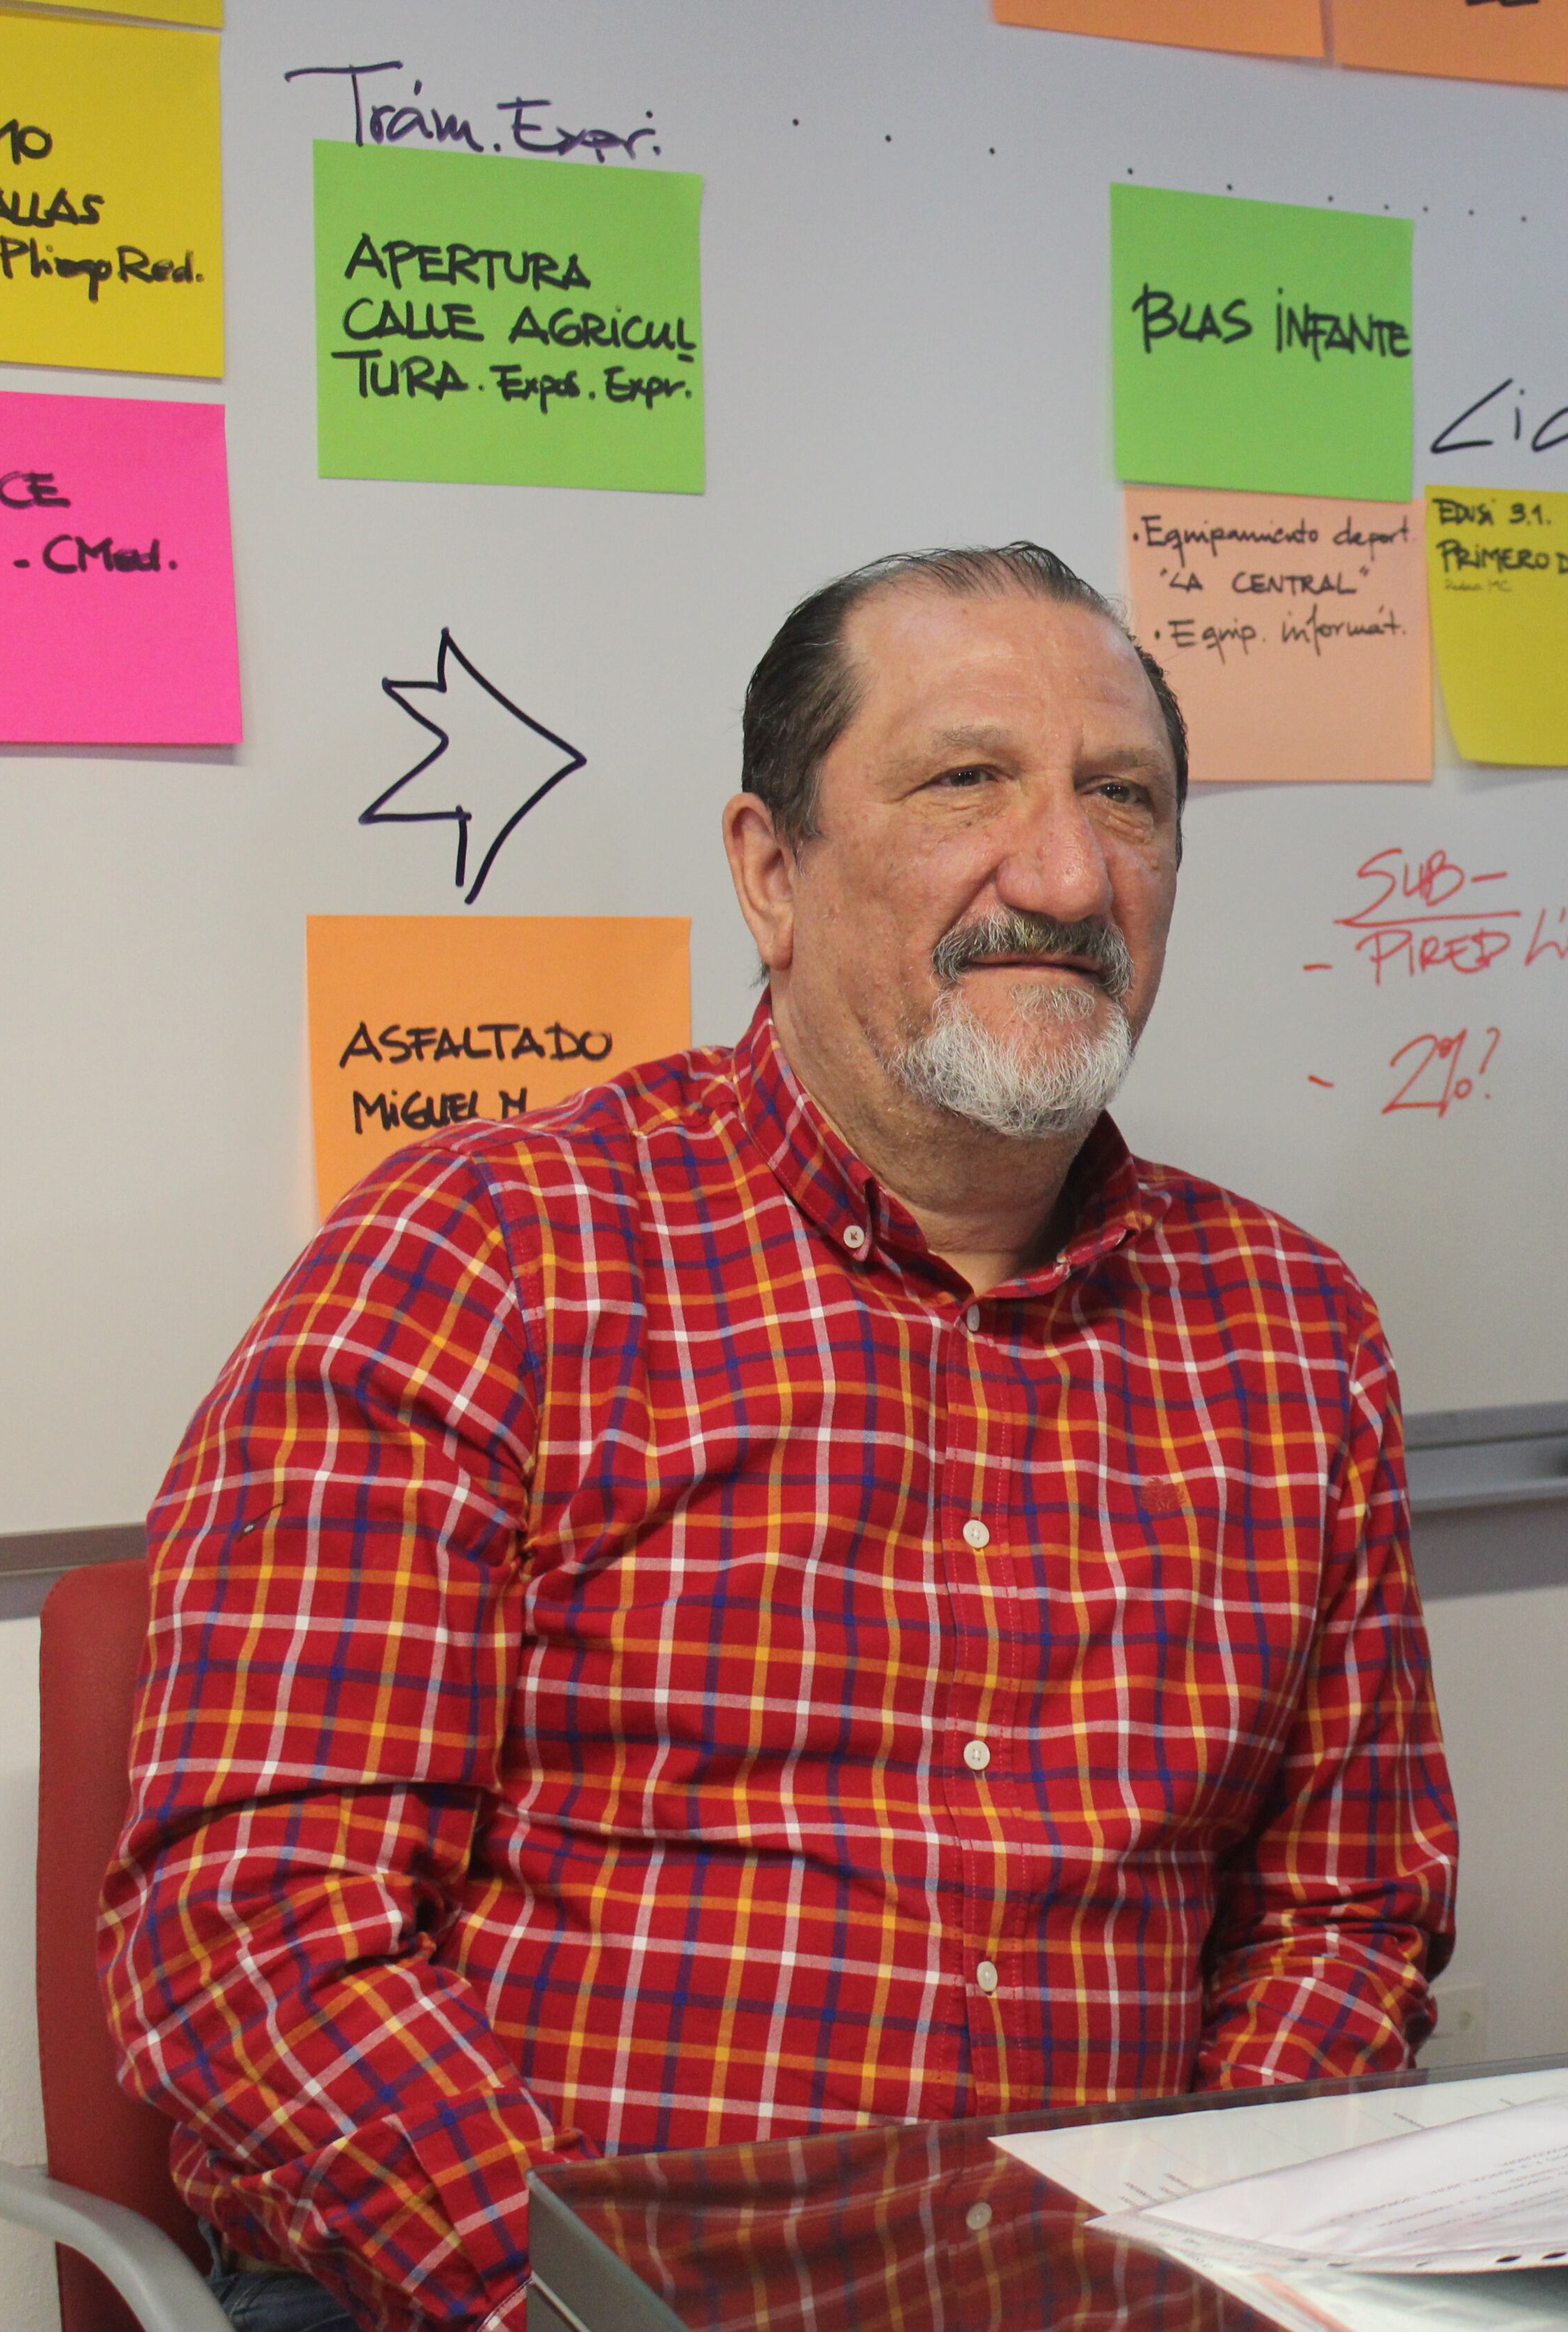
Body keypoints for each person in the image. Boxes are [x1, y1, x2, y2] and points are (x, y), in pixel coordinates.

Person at [104, 544, 1459, 2332]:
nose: (1063, 872)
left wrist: (1207, 2264)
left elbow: (1345, 1912)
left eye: (1123, 798)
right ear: (771, 871)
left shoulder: (1291, 1330)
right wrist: (591, 2303)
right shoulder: (482, 1254)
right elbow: (257, 1936)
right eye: (966, 779)